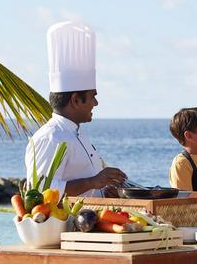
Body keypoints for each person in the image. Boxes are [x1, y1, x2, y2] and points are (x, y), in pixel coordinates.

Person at [26, 21, 127, 197]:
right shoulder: (50, 138)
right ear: (75, 100)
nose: (96, 103)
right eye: (92, 96)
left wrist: (104, 191)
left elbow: (86, 187)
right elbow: (40, 192)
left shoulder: (77, 133)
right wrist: (93, 182)